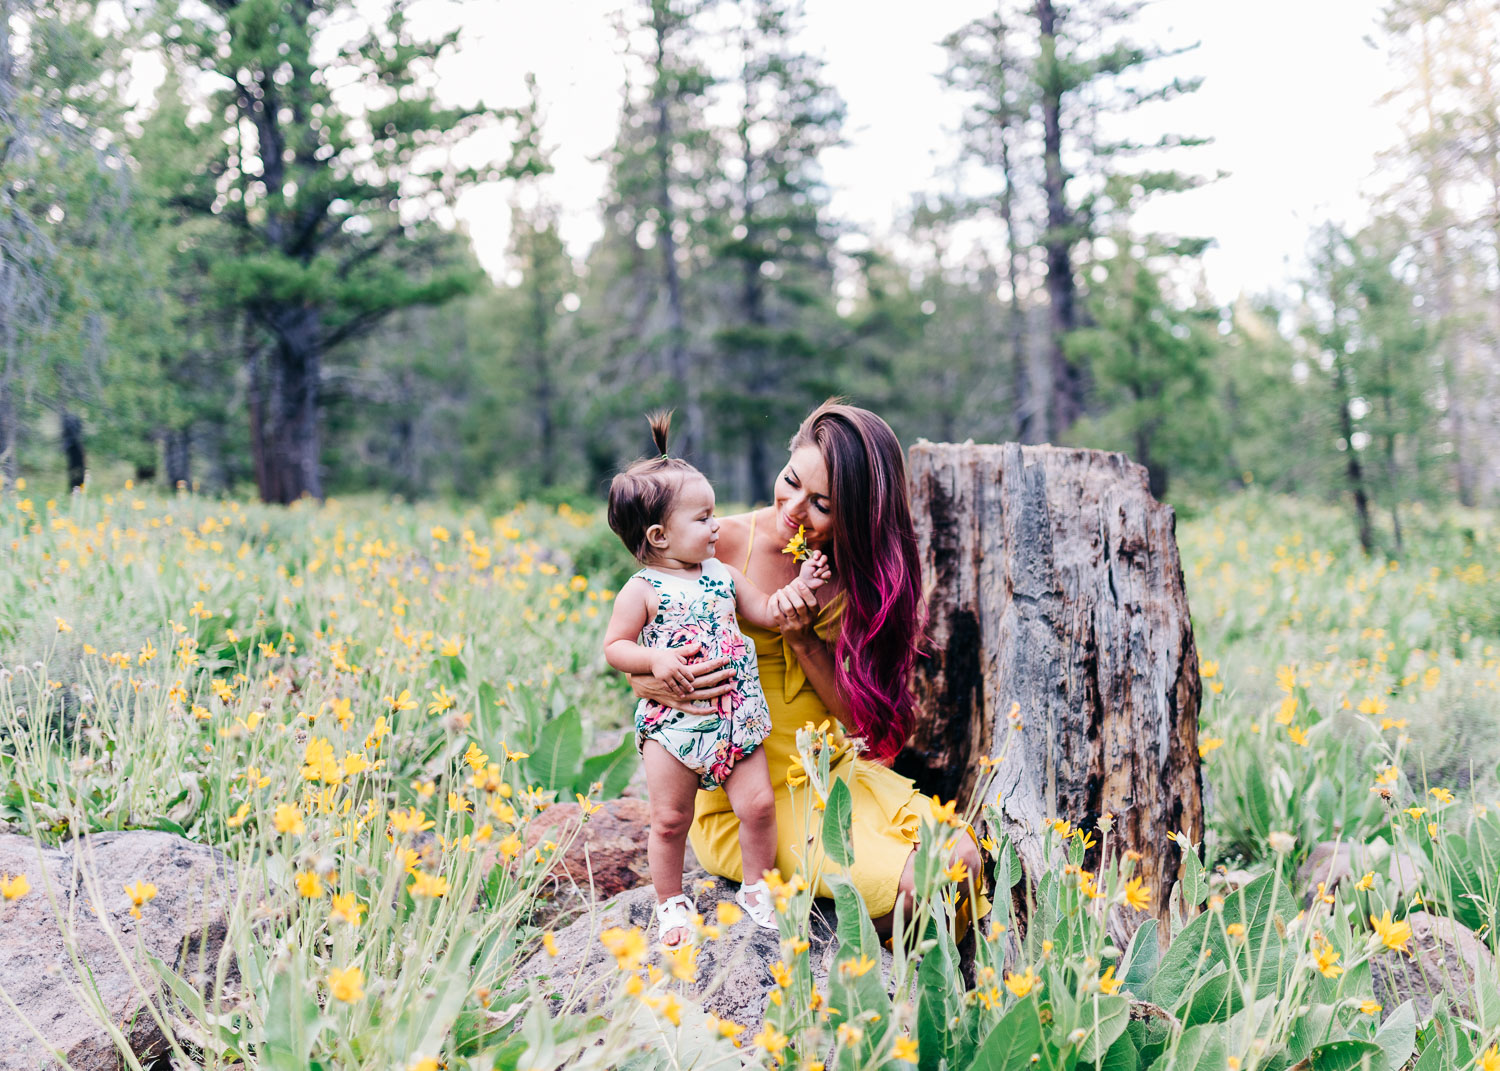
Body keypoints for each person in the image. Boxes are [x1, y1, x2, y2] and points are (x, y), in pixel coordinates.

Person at [624, 400, 985, 939]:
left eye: (821, 504)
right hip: (747, 796)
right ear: (788, 454)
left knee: (963, 859)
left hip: (828, 773)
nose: (793, 508)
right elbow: (642, 640)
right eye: (791, 480)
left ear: (857, 516)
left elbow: (860, 718)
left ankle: (929, 982)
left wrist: (802, 637)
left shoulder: (860, 578)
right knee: (915, 885)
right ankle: (870, 977)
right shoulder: (712, 546)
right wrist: (651, 676)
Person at [602, 412, 831, 950]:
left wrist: (800, 585)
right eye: (704, 518)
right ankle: (670, 901)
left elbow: (769, 613)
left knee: (757, 806)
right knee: (669, 819)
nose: (716, 526)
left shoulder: (722, 575)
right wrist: (654, 661)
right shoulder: (642, 589)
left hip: (738, 716)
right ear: (659, 536)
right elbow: (615, 648)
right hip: (674, 727)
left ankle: (757, 887)